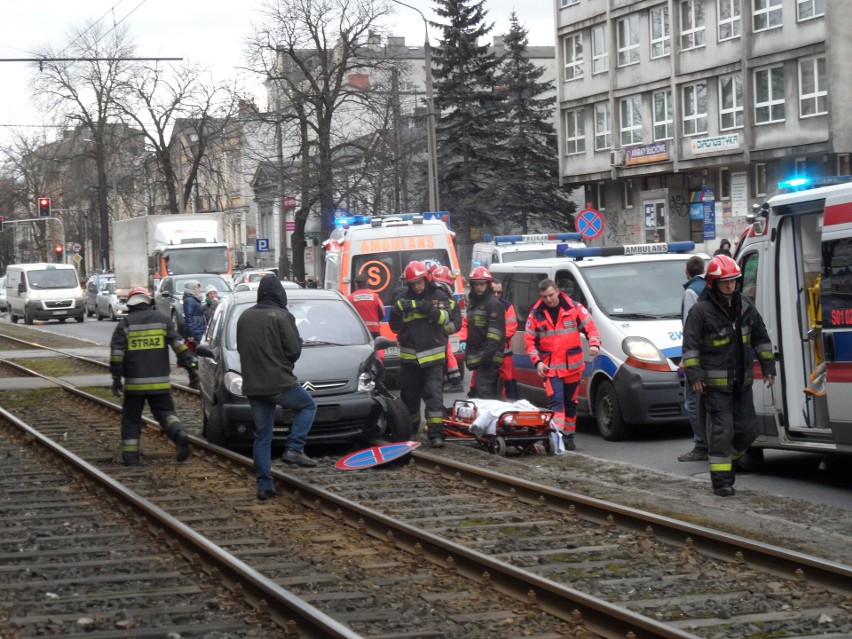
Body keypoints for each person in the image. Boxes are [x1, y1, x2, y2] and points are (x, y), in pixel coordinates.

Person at [682, 255, 776, 497]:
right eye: (724, 282)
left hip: (741, 383)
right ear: (713, 283)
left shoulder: (745, 307)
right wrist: (694, 375)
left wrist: (768, 367)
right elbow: (690, 347)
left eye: (733, 281)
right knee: (723, 432)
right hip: (715, 386)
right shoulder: (700, 311)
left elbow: (761, 338)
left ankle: (728, 462)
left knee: (749, 430)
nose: (729, 285)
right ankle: (722, 481)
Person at [237, 276, 318, 501]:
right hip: (279, 382)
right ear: (279, 294)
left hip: (253, 385)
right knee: (308, 406)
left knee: (263, 435)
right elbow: (293, 350)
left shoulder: (244, 316)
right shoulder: (282, 316)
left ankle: (264, 486)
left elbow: (242, 347)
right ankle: (294, 447)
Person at [109, 286, 199, 466]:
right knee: (166, 414)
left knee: (131, 420)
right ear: (149, 302)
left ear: (130, 305)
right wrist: (192, 370)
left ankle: (131, 459)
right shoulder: (163, 320)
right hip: (160, 383)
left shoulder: (125, 325)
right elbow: (180, 347)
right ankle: (179, 433)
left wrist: (116, 379)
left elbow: (116, 355)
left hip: (134, 385)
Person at [525, 279, 600, 452]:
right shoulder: (536, 314)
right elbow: (529, 342)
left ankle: (569, 436)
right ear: (540, 296)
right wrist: (538, 362)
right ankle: (556, 437)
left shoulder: (574, 308)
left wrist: (594, 343)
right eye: (545, 297)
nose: (549, 299)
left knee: (571, 403)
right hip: (551, 369)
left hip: (572, 367)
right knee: (556, 401)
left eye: (551, 295)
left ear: (557, 291)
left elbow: (590, 327)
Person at [389, 260, 452, 447]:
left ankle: (436, 435)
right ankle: (410, 433)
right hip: (410, 359)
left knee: (434, 396)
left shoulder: (439, 295)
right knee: (410, 398)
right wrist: (396, 311)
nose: (417, 286)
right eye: (413, 283)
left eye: (419, 282)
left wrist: (427, 308)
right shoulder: (402, 299)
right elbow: (394, 327)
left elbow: (445, 318)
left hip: (433, 359)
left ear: (426, 279)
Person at [678, 256, 709, 462]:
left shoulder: (691, 291)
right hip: (712, 354)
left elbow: (690, 328)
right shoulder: (709, 286)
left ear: (687, 271)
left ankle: (701, 444)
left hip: (696, 355)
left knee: (692, 401)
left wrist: (685, 358)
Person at [463, 266, 505, 399]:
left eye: (482, 284)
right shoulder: (474, 303)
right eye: (476, 284)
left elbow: (494, 334)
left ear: (488, 284)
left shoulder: (493, 304)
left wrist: (487, 356)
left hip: (488, 358)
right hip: (480, 358)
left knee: (484, 393)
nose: (478, 287)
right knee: (478, 393)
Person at [430, 265, 464, 392]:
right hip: (436, 338)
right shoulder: (433, 299)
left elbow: (457, 324)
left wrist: (443, 331)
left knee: (447, 357)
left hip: (441, 337)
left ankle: (456, 383)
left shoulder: (451, 302)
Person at [491, 280, 519, 400]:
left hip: (504, 351)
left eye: (499, 292)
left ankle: (512, 406)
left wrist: (495, 340)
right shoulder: (481, 305)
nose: (497, 294)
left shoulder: (507, 306)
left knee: (510, 382)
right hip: (486, 352)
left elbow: (512, 327)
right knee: (482, 383)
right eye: (494, 292)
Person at [347, 273, 384, 338]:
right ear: (367, 283)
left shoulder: (350, 298)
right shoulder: (375, 297)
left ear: (356, 284)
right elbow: (382, 313)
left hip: (358, 331)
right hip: (374, 331)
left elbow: (348, 316)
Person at [182, 280, 206, 352]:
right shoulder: (190, 300)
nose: (199, 289)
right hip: (195, 331)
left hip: (198, 329)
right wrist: (190, 334)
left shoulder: (194, 299)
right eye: (197, 288)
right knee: (194, 351)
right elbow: (189, 318)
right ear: (192, 288)